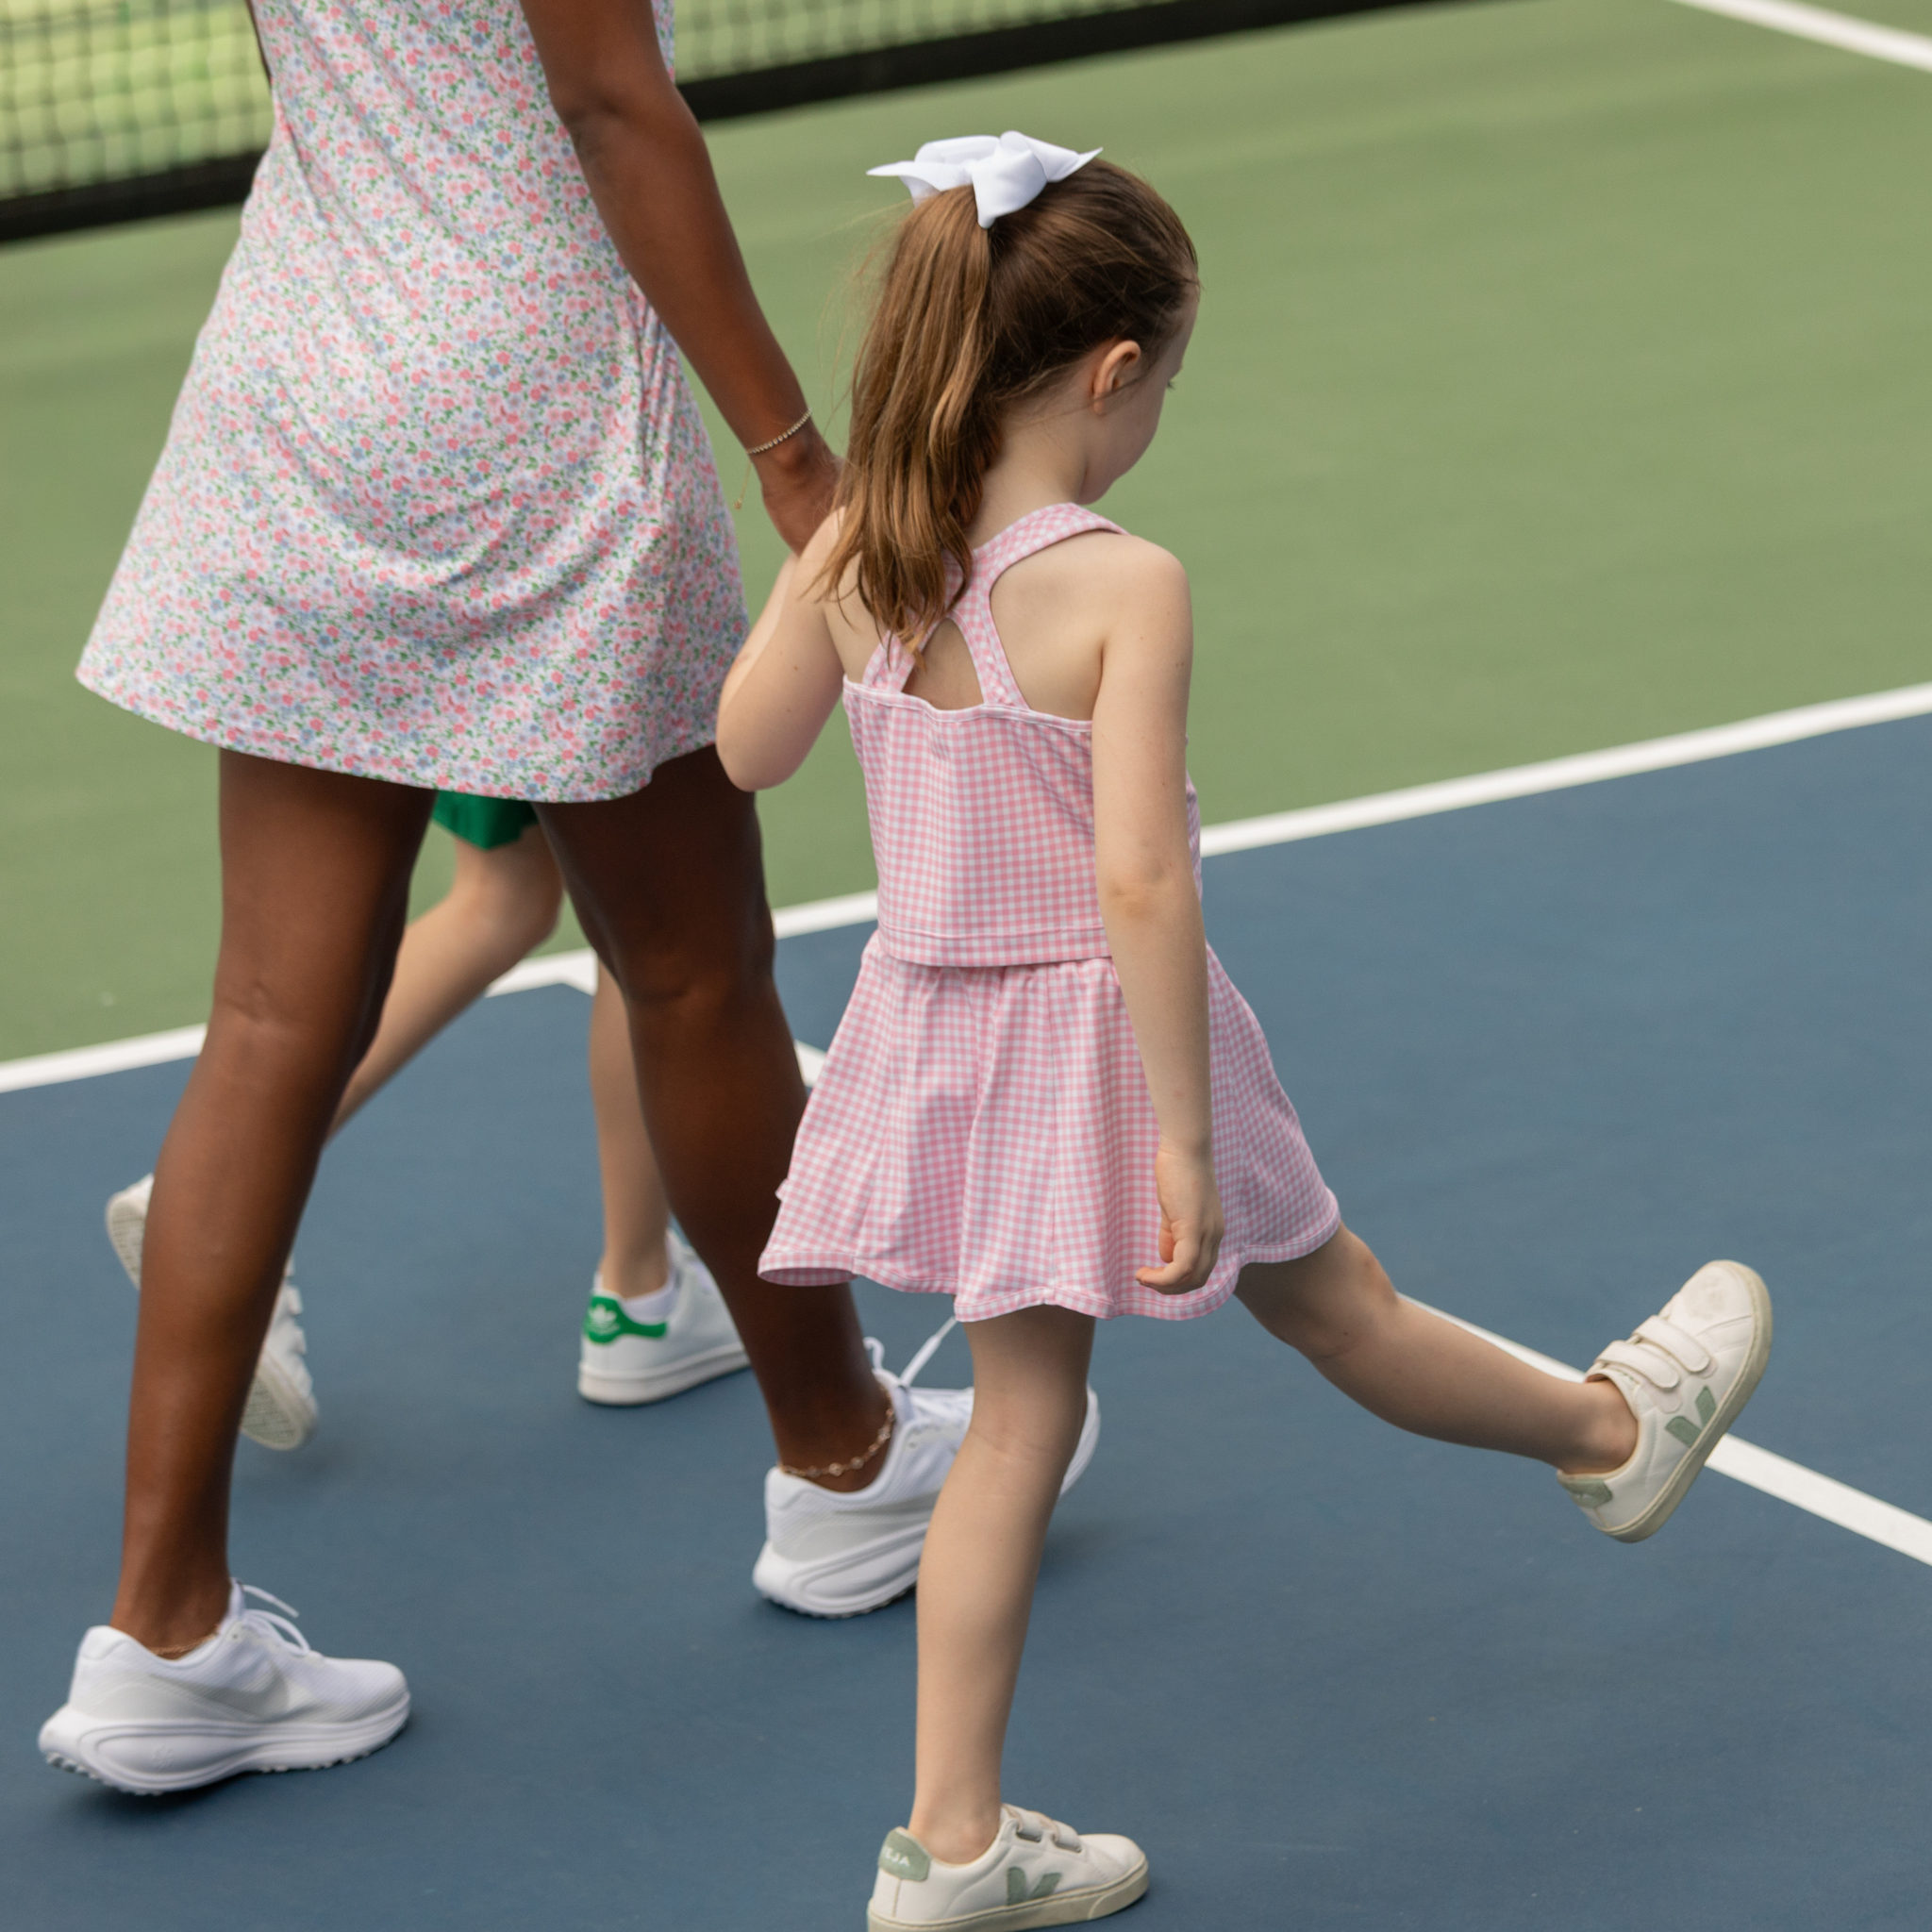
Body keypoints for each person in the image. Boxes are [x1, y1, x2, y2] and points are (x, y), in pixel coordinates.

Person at [714, 134, 1774, 1930]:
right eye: (1164, 388)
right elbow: (1137, 878)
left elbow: (745, 751)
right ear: (1111, 374)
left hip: (944, 1037)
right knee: (1328, 1296)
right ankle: (1610, 1435)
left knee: (1011, 1423)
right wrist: (1184, 1134)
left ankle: (946, 1840)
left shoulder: (860, 548)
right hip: (1112, 1046)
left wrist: (827, 554)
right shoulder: (1122, 581)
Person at [37, 0, 1028, 1799]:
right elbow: (608, 102)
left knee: (268, 1017)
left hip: (302, 379)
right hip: (531, 416)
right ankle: (843, 1456)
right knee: (694, 972)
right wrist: (795, 451)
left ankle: (161, 1634)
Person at [101, 793, 746, 1450]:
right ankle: (641, 1300)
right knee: (655, 919)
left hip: (474, 689)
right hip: (596, 691)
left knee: (503, 895)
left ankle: (217, 1194)